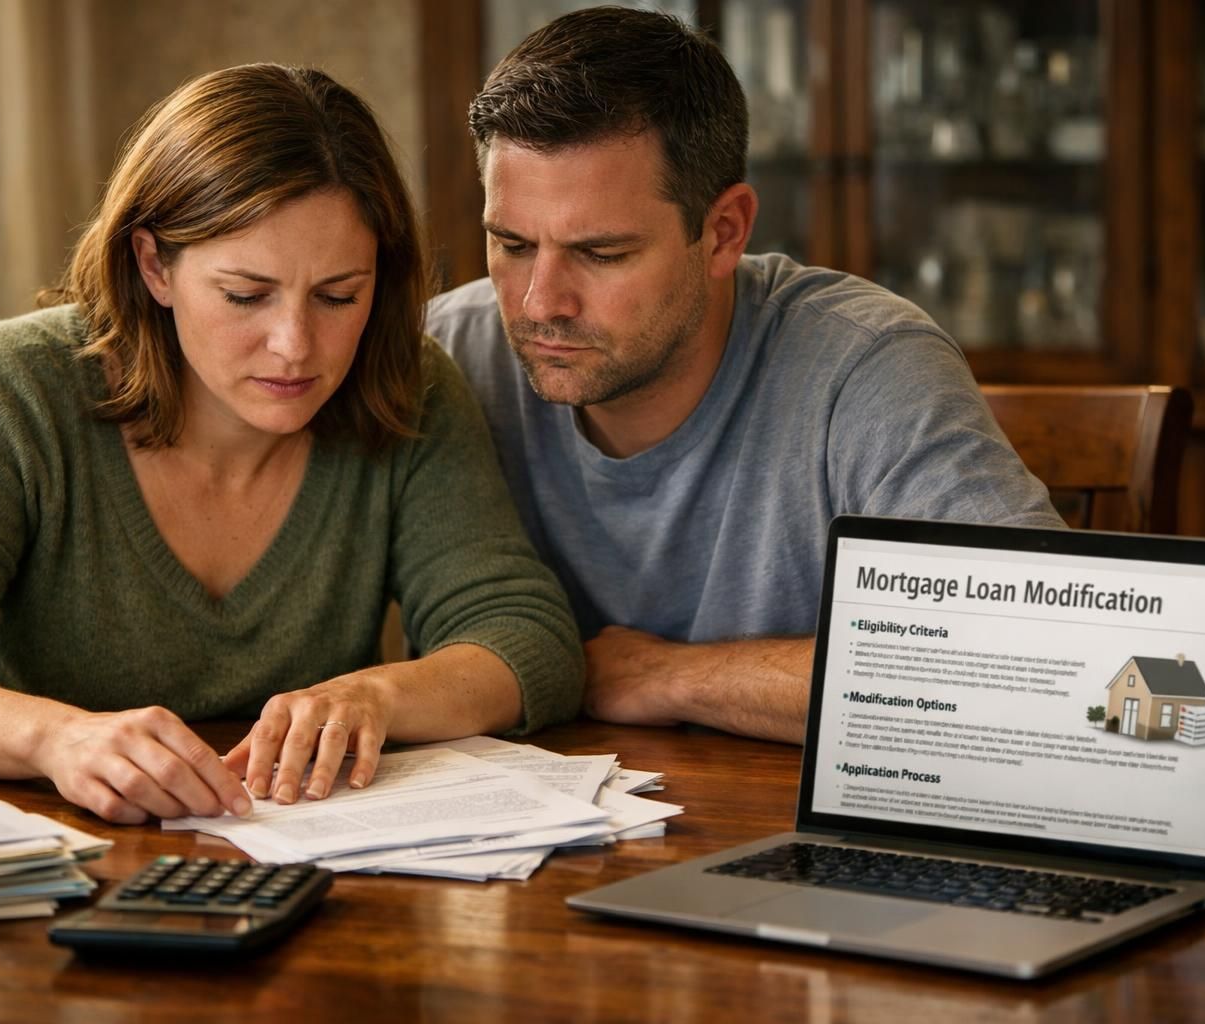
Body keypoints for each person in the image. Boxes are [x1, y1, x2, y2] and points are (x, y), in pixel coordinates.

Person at [0, 64, 583, 824]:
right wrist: (54, 739)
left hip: (293, 860)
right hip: (34, 859)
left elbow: (526, 638)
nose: (295, 345)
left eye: (337, 295)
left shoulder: (406, 385)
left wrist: (376, 693)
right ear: (154, 265)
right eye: (246, 295)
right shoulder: (11, 388)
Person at [425, 7, 1063, 745]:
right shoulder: (445, 354)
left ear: (724, 231)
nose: (541, 303)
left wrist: (673, 676)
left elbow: (1036, 656)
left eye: (601, 253)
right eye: (510, 244)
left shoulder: (863, 364)